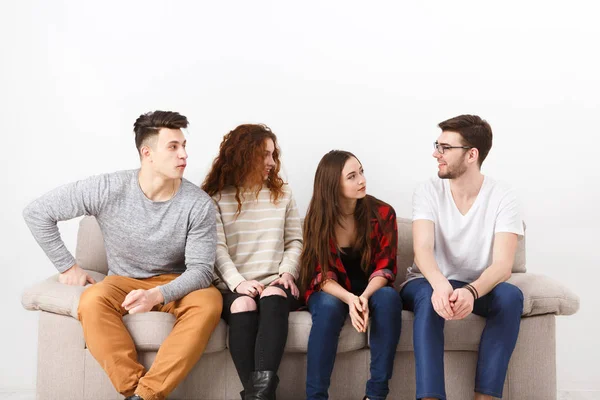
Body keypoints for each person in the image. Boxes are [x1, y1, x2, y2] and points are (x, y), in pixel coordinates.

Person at [23, 111, 222, 400]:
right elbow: (38, 213)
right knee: (90, 301)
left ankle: (147, 394)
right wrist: (67, 266)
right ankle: (132, 390)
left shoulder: (197, 203)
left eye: (184, 146)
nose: (184, 154)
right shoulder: (108, 188)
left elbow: (202, 270)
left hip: (176, 284)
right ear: (147, 153)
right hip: (123, 281)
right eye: (173, 146)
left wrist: (158, 294)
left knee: (209, 301)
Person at [401, 115, 524, 400]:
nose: (436, 154)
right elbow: (422, 251)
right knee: (431, 300)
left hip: (475, 287)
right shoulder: (428, 191)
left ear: (472, 154)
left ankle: (485, 397)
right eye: (437, 145)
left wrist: (471, 290)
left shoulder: (504, 197)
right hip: (427, 281)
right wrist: (442, 285)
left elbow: (503, 265)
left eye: (445, 148)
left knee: (511, 297)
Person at [202, 124, 303, 400]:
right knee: (243, 303)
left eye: (273, 155)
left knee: (271, 294)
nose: (272, 162)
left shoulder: (283, 194)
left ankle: (256, 397)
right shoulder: (215, 198)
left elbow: (295, 241)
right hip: (233, 286)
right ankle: (262, 396)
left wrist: (286, 273)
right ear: (244, 156)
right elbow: (217, 250)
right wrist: (239, 283)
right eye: (265, 155)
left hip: (276, 282)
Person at [300, 150, 402, 400]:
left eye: (362, 172)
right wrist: (349, 299)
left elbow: (385, 268)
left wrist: (364, 297)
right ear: (333, 184)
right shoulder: (317, 219)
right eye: (352, 176)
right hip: (332, 290)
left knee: (388, 299)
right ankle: (315, 397)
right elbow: (319, 274)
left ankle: (376, 395)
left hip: (371, 288)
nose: (362, 180)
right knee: (327, 306)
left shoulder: (383, 213)